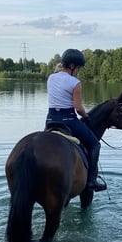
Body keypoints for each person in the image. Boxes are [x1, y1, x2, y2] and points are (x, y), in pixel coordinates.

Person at [45, 48, 107, 192]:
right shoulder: (75, 82)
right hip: (69, 120)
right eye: (78, 67)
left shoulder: (51, 78)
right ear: (73, 66)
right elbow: (78, 108)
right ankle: (91, 181)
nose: (78, 70)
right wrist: (86, 117)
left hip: (50, 120)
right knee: (94, 145)